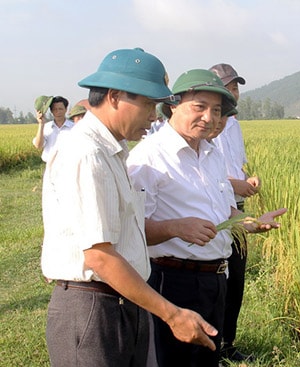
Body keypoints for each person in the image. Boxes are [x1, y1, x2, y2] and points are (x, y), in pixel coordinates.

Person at [40, 48, 217, 367]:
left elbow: (126, 236)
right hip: (93, 308)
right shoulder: (87, 153)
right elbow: (100, 256)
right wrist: (172, 314)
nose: (154, 115)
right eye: (149, 104)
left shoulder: (113, 152)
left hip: (123, 300)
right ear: (115, 96)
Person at [127, 68, 287, 367]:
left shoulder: (211, 153)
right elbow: (130, 231)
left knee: (206, 360)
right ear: (173, 105)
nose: (209, 117)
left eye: (216, 110)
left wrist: (248, 223)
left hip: (214, 280)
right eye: (199, 107)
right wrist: (175, 228)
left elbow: (222, 209)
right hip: (171, 281)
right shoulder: (149, 158)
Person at [209, 63, 260, 362]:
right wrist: (236, 184)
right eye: (227, 87)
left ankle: (228, 342)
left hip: (236, 209)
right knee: (218, 279)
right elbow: (205, 174)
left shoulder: (235, 125)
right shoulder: (209, 127)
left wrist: (248, 180)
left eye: (235, 87)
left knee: (236, 278)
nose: (233, 93)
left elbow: (236, 167)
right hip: (214, 211)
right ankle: (211, 344)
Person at [32, 95, 74, 162]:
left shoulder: (74, 127)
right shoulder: (46, 127)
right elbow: (38, 145)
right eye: (55, 109)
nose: (58, 112)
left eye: (60, 109)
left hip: (70, 165)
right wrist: (41, 124)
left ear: (66, 109)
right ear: (51, 111)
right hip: (50, 166)